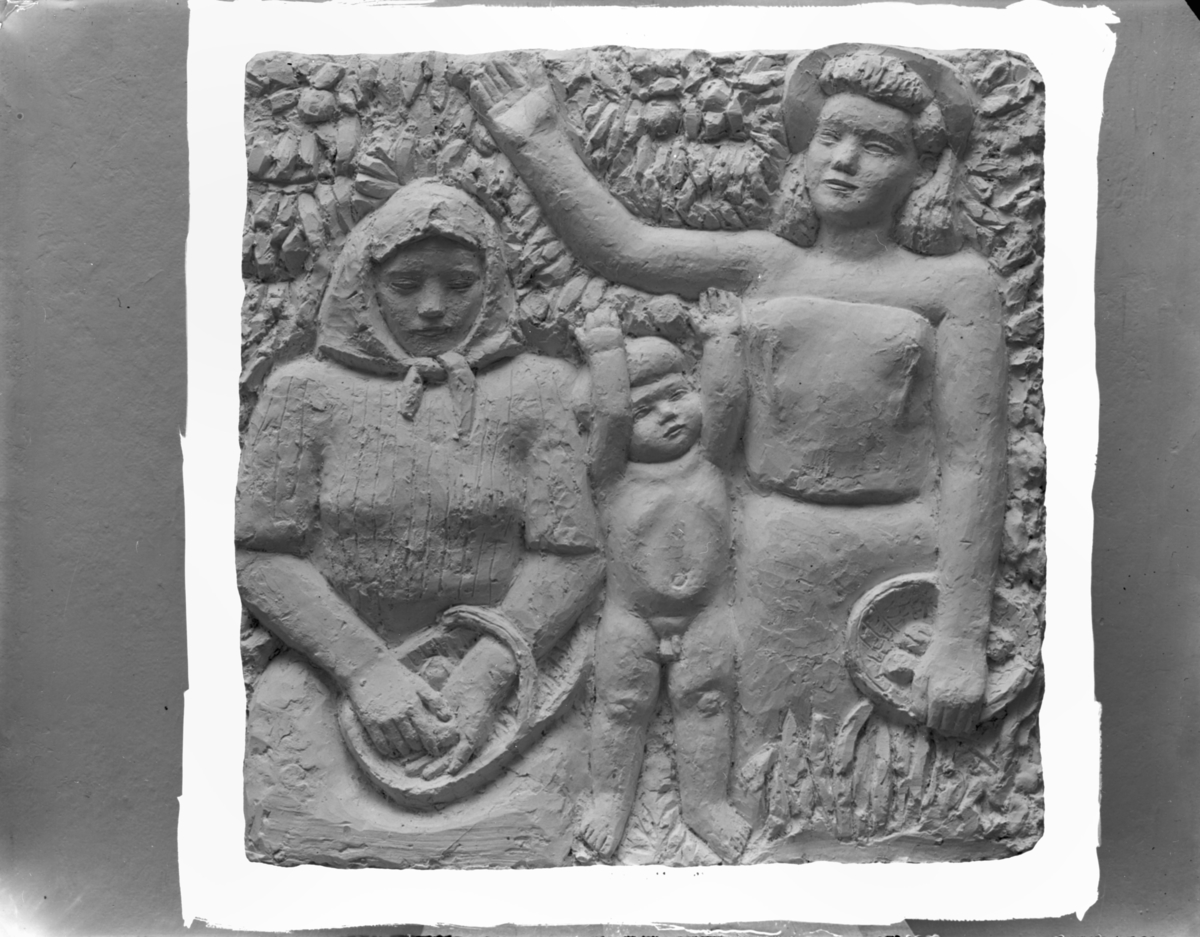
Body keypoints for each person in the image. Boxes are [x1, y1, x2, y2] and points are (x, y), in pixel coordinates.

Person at [467, 45, 1006, 740]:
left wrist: (959, 637)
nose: (844, 160)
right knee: (774, 752)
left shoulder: (955, 286)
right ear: (804, 150)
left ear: (921, 170)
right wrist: (537, 139)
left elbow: (972, 462)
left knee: (881, 762)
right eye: (831, 137)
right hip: (772, 546)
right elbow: (624, 248)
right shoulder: (767, 263)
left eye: (876, 147)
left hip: (899, 556)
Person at [236, 179, 604, 786]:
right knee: (289, 772)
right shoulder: (303, 392)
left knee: (548, 799)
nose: (432, 307)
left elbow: (571, 556)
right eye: (405, 285)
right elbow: (262, 553)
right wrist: (365, 671)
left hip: (512, 672)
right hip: (334, 674)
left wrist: (486, 676)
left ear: (492, 285)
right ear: (365, 285)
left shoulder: (534, 389)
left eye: (459, 284)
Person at [573, 293, 747, 861]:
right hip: (632, 618)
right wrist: (605, 352)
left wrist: (721, 338)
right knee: (621, 707)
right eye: (647, 409)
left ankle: (706, 805)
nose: (668, 414)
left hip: (705, 614)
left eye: (676, 395)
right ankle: (609, 801)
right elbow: (611, 416)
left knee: (707, 703)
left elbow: (725, 401)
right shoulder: (612, 475)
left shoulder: (711, 460)